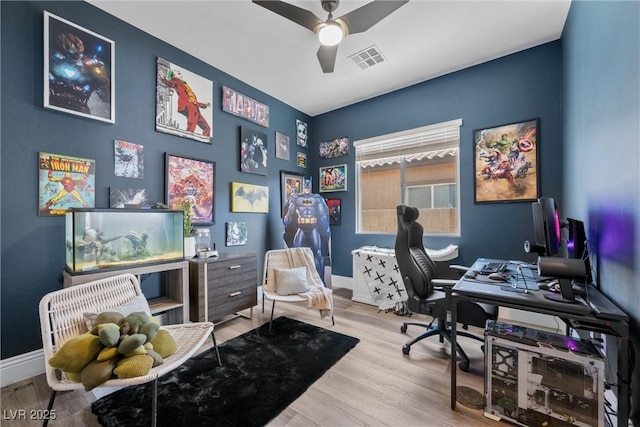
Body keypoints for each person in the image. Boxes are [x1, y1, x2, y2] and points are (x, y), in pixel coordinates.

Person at [48, 31, 111, 117]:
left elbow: (105, 96)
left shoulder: (91, 65)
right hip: (55, 105)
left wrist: (102, 81)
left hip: (80, 109)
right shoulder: (54, 59)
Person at [283, 180, 331, 281]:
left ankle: (320, 281)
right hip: (301, 228)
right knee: (297, 253)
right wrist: (286, 226)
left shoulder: (317, 199)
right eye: (305, 186)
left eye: (309, 186)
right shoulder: (296, 199)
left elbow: (323, 216)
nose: (307, 188)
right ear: (303, 186)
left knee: (318, 254)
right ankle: (298, 280)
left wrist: (326, 230)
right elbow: (289, 216)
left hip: (314, 228)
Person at [160, 68, 211, 136]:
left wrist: (205, 105)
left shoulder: (184, 84)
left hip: (194, 107)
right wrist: (164, 79)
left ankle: (205, 140)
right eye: (176, 72)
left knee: (207, 127)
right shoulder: (176, 80)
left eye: (178, 71)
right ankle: (188, 137)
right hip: (189, 106)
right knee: (192, 123)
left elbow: (193, 101)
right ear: (173, 76)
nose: (178, 72)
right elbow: (170, 83)